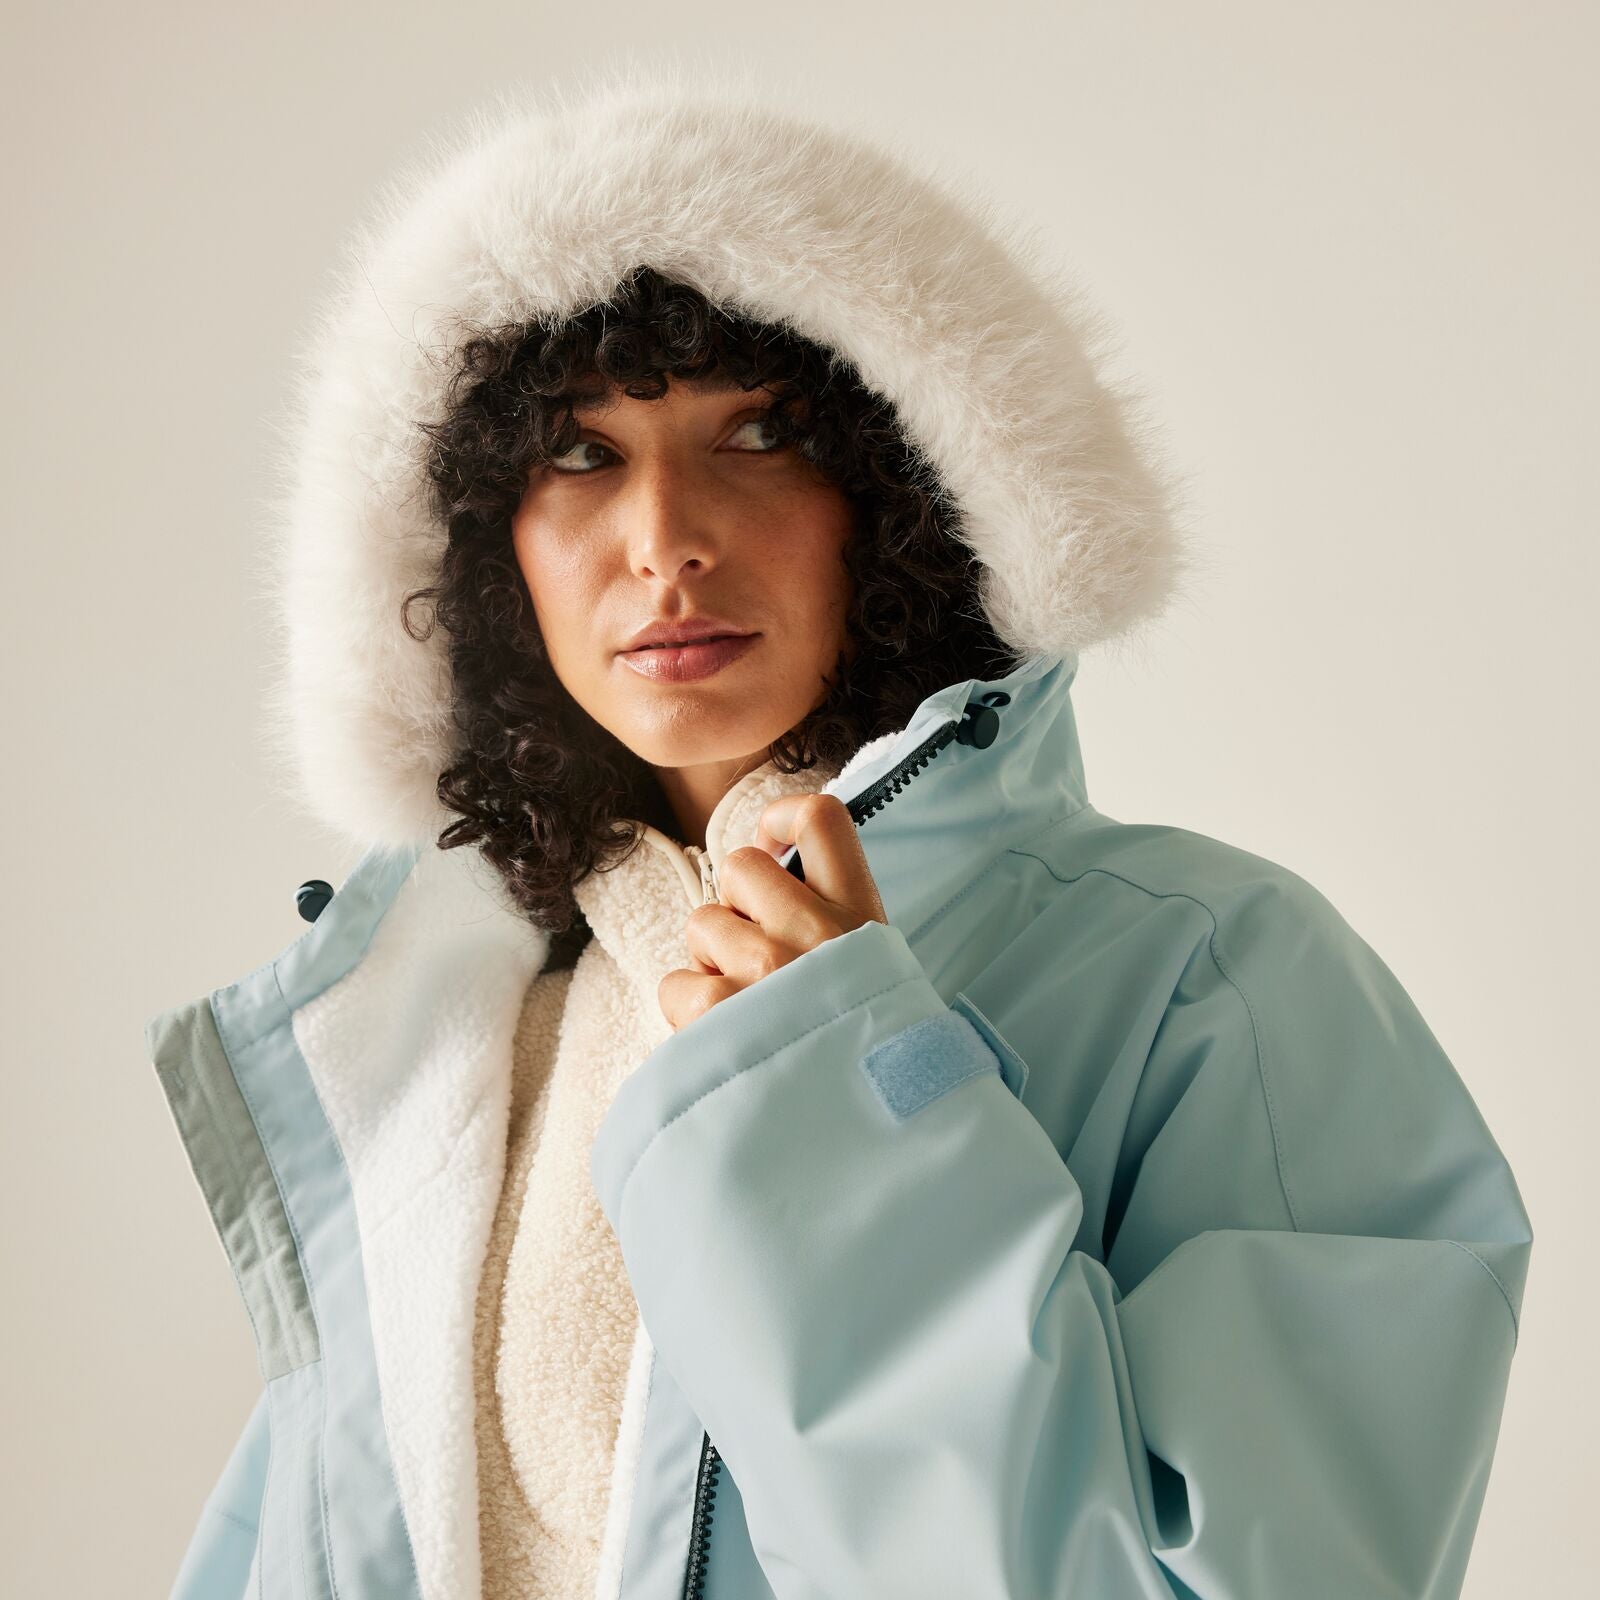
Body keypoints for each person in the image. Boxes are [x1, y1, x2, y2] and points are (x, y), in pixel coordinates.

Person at [145, 69, 1532, 1600]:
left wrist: (848, 1103)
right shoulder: (448, 1039)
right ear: (487, 547)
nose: (665, 538)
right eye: (583, 455)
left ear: (903, 490)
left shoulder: (1216, 977)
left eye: (758, 433)